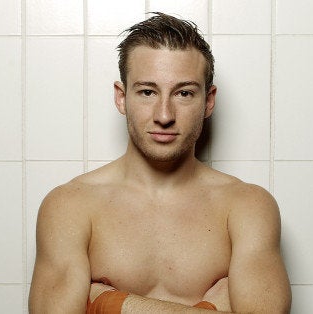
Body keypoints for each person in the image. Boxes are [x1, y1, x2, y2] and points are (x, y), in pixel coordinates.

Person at [29, 12, 291, 313]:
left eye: (183, 93)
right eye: (147, 92)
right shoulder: (70, 206)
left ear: (208, 101)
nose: (164, 115)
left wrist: (110, 303)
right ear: (121, 97)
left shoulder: (247, 206)